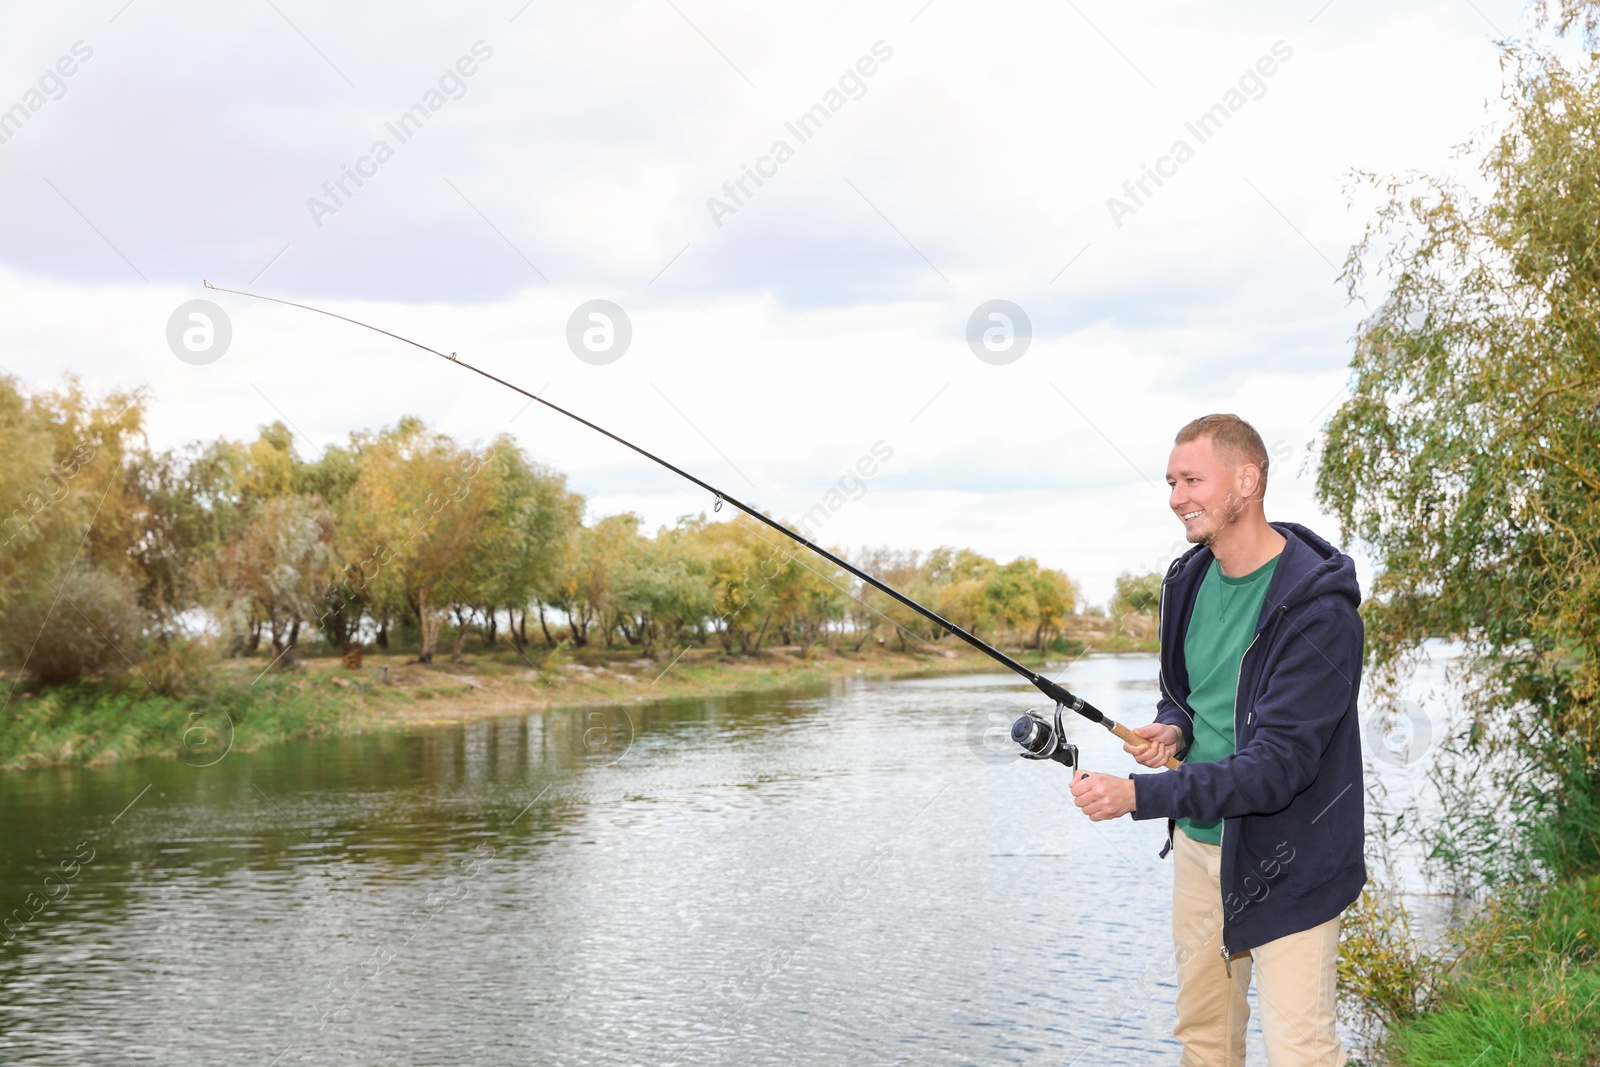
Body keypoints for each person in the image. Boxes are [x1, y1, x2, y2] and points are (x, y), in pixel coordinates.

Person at [1069, 414, 1365, 1067]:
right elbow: (1185, 691)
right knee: (1203, 1041)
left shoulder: (1321, 610)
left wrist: (1139, 794)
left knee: (1302, 1053)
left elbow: (1278, 765)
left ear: (1247, 480)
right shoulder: (1187, 580)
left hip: (1291, 858)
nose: (1176, 496)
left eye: (1192, 479)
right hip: (1199, 854)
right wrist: (1173, 726)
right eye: (1172, 481)